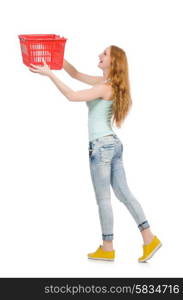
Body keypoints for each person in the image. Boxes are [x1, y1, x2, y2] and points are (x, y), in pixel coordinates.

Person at [28, 45, 162, 263]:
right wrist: (56, 57)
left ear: (113, 62)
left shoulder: (105, 87)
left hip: (101, 147)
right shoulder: (103, 83)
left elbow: (72, 95)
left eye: (104, 54)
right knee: (124, 195)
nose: (99, 55)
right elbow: (74, 74)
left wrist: (50, 74)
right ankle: (149, 239)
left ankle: (108, 247)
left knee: (104, 199)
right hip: (112, 145)